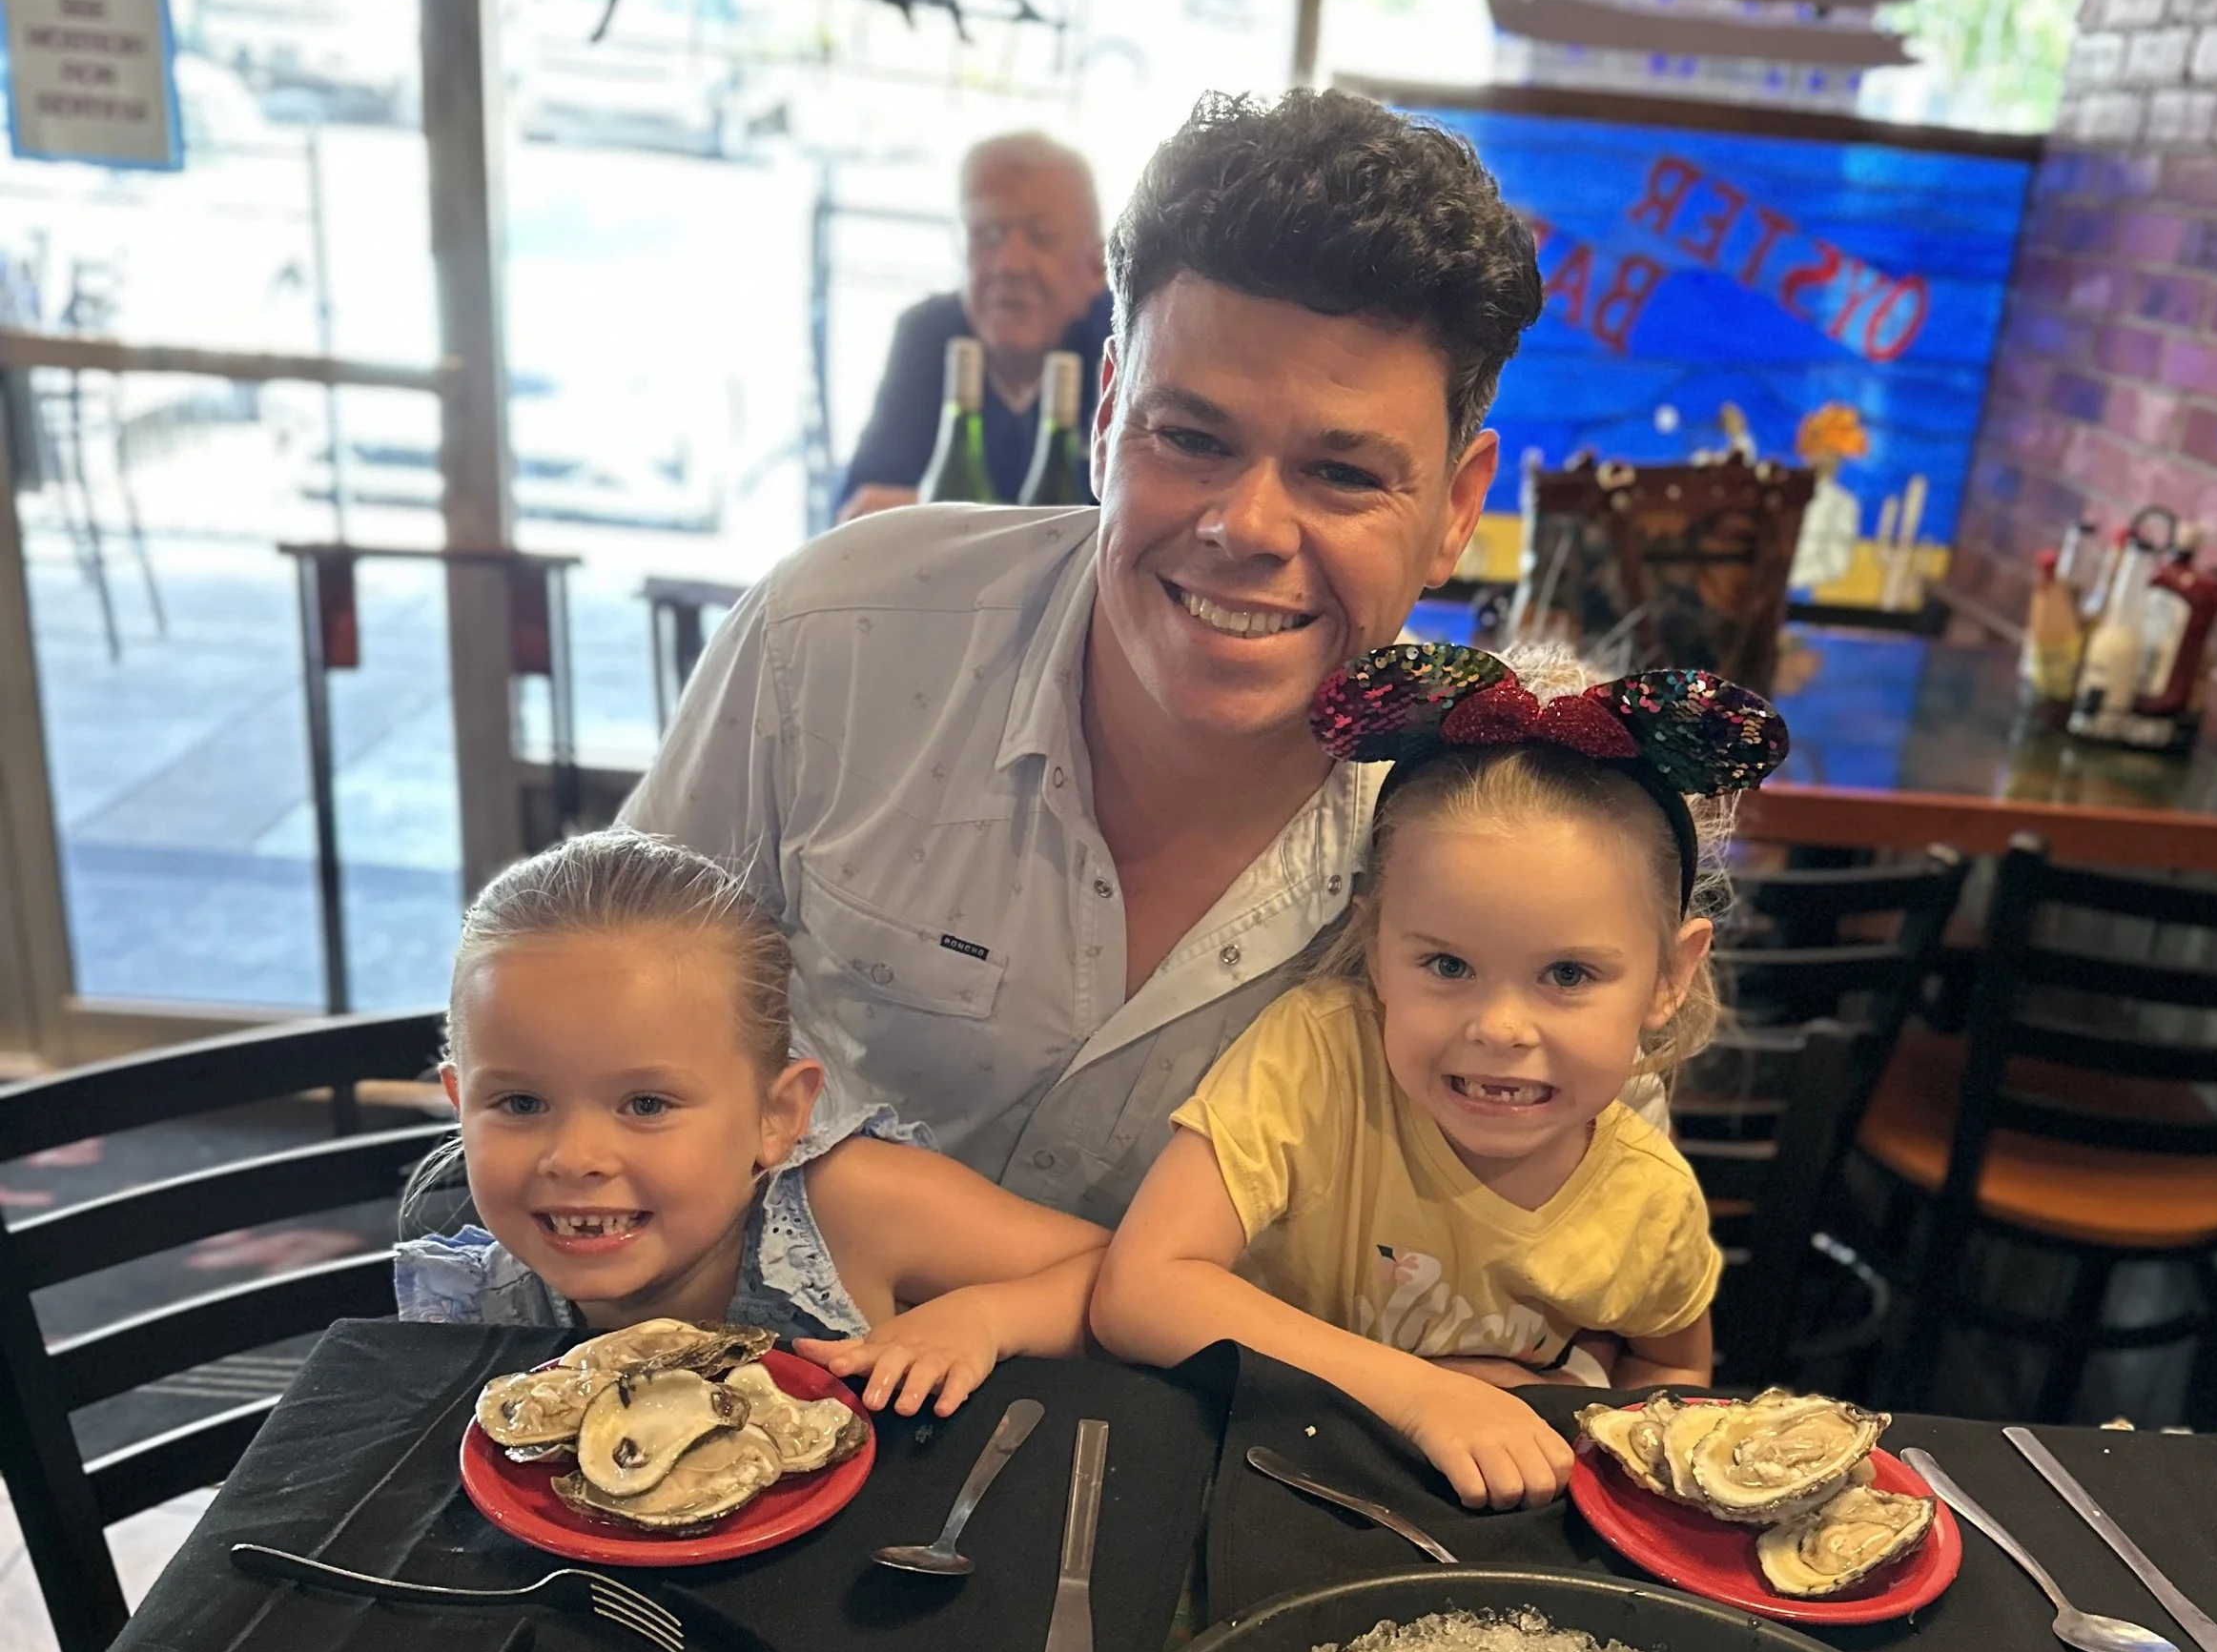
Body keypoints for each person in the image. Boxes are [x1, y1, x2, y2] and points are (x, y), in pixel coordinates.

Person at [627, 87, 1545, 1227]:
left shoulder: (1525, 822)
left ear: (1456, 509)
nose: (1247, 528)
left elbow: (1567, 1254)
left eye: (1344, 474)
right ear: (1107, 414)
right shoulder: (832, 637)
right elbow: (589, 1026)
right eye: (1192, 439)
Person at [1090, 643, 1790, 1508]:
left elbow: (1673, 1368)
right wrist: (1424, 1392)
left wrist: (1569, 1402)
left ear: (1669, 978)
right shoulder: (1318, 1059)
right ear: (1378, 947)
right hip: (1257, 1482)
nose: (1499, 1028)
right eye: (1448, 964)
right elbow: (1140, 1289)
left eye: (1568, 974)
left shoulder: (1650, 1205)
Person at [393, 831, 1106, 1417]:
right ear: (461, 1103)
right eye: (520, 1104)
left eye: (646, 1104)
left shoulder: (851, 1207)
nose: (574, 1158)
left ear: (779, 1115)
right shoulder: (477, 1301)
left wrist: (984, 1319)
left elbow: (1116, 1276)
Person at [838, 132, 1110, 515]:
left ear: (1095, 266)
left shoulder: (1128, 345)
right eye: (986, 235)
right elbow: (861, 508)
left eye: (1041, 237)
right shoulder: (928, 336)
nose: (1009, 264)